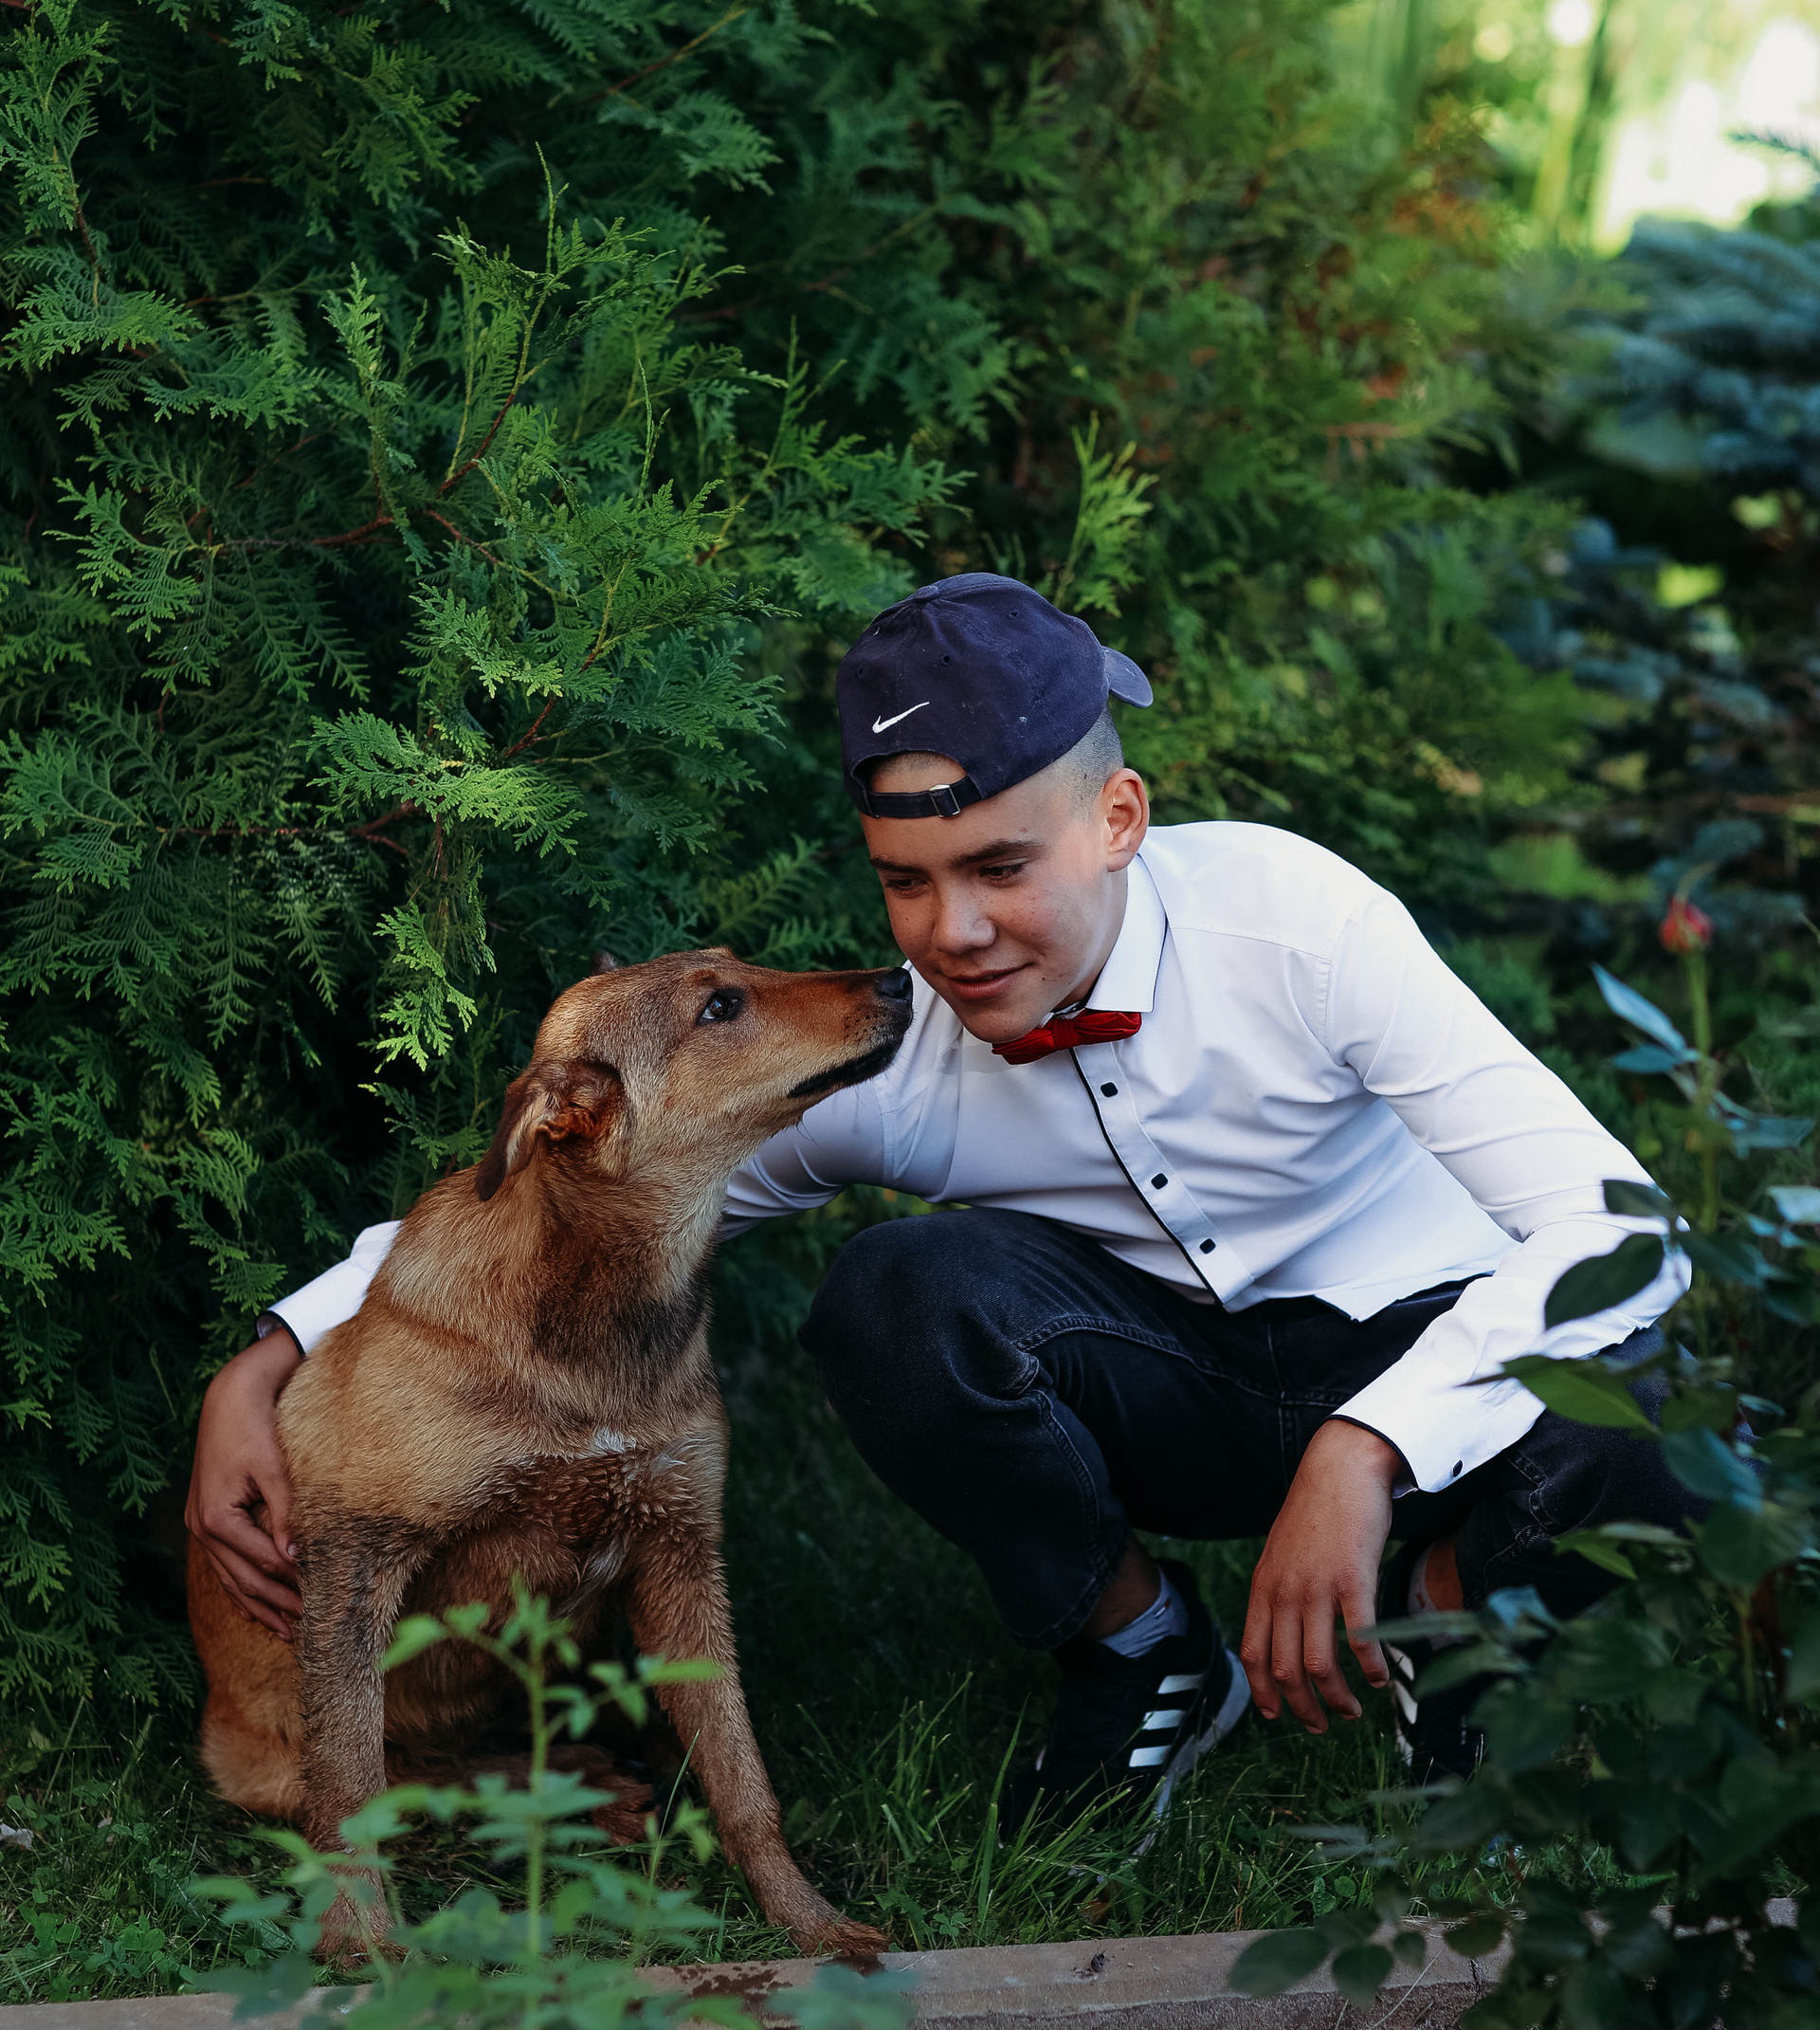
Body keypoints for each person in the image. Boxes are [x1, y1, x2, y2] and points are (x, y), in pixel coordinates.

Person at [188, 574, 1690, 1820]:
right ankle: (1146, 1658)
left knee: (1650, 1447)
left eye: (999, 867)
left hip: (1408, 1346)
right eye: (907, 881)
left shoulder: (1296, 922)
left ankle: (1444, 1616)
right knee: (894, 1299)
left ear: (1119, 819)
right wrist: (270, 1358)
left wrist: (1369, 1448)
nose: (952, 932)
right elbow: (546, 1208)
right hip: (1170, 1393)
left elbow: (1621, 1232)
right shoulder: (889, 1061)